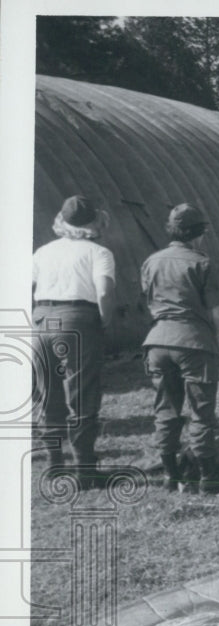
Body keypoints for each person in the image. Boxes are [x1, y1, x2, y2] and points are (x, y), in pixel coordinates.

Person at [141, 204, 219, 494]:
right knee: (201, 413)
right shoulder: (202, 262)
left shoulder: (151, 261)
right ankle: (207, 478)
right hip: (193, 342)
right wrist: (214, 340)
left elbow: (148, 301)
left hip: (157, 341)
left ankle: (170, 475)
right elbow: (217, 313)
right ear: (198, 233)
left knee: (166, 409)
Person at [32, 195, 116, 489]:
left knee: (48, 394)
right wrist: (103, 319)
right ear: (95, 220)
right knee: (81, 394)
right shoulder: (98, 252)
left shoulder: (43, 251)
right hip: (78, 318)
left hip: (42, 318)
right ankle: (85, 470)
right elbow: (104, 292)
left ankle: (55, 464)